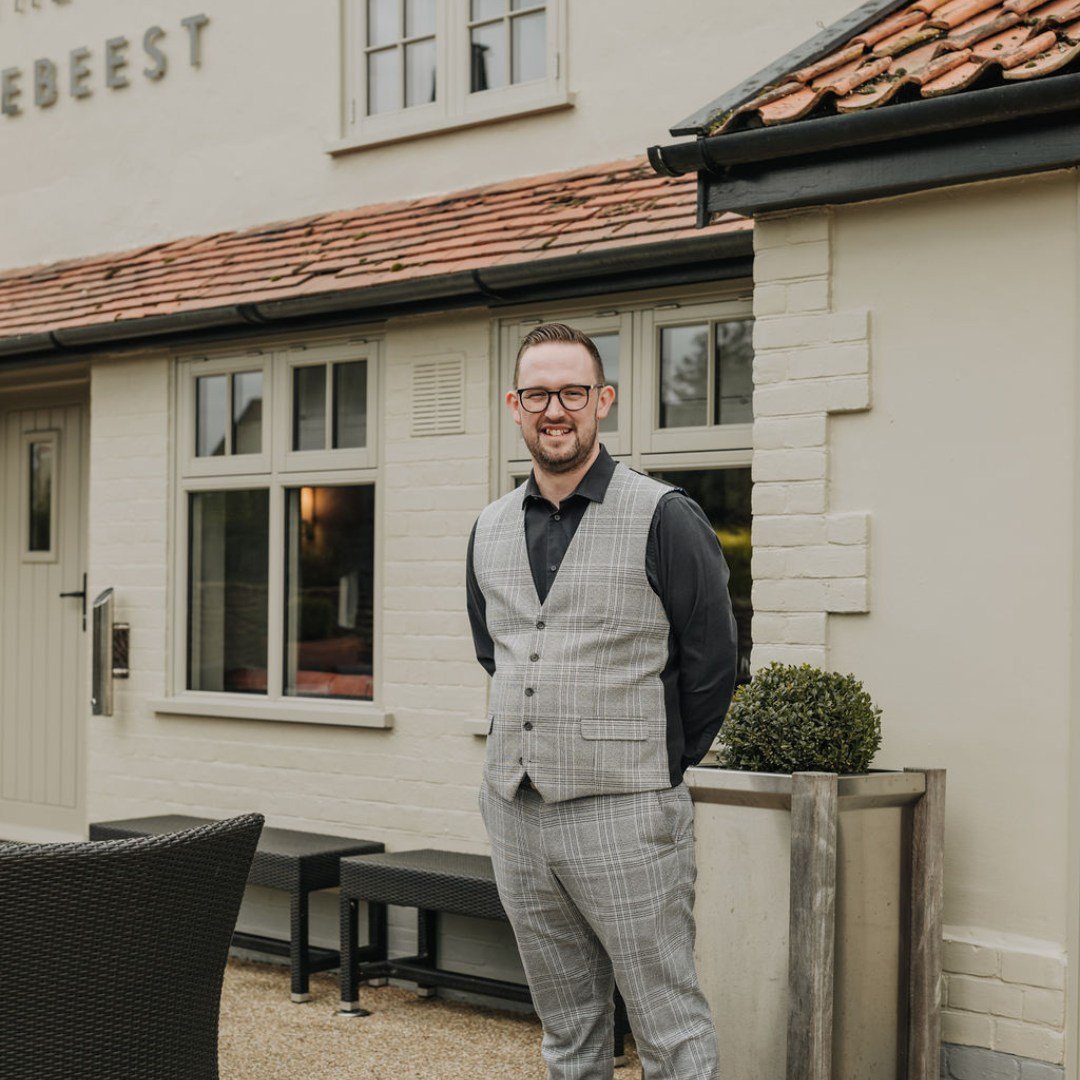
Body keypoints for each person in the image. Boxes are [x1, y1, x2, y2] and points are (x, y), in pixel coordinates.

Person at [466, 322, 738, 1079]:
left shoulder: (665, 516)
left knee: (669, 1030)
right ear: (515, 406)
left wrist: (653, 765)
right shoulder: (487, 528)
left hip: (629, 811)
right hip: (516, 811)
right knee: (567, 1030)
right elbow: (498, 653)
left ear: (604, 401)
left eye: (574, 392)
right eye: (539, 394)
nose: (557, 409)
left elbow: (713, 663)